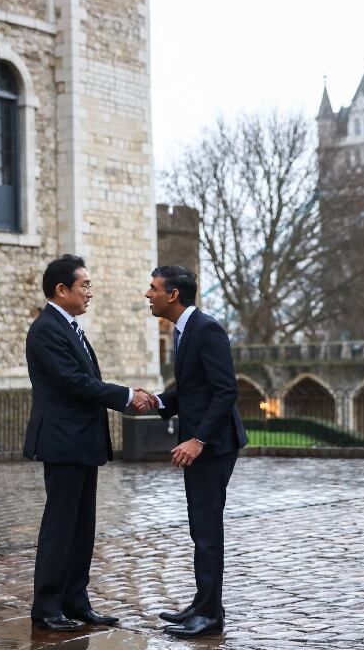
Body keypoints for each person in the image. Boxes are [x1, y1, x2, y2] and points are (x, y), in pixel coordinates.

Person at [23, 254, 156, 631]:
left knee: (82, 527)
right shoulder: (46, 329)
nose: (90, 293)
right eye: (84, 285)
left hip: (80, 441)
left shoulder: (69, 327)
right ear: (60, 289)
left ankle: (75, 600)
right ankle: (47, 606)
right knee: (61, 525)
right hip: (63, 442)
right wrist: (126, 395)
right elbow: (73, 382)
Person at [146, 265, 247, 639]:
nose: (148, 294)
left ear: (173, 294)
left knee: (206, 530)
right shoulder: (183, 330)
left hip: (215, 446)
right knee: (199, 527)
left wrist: (198, 440)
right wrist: (157, 401)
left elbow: (225, 390)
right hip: (204, 445)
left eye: (154, 288)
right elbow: (191, 390)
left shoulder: (206, 329)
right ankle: (204, 604)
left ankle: (210, 616)